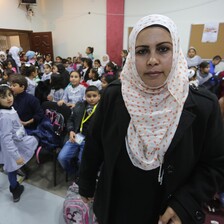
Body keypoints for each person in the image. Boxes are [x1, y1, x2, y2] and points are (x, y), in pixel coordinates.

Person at [78, 14, 224, 224]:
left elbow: (215, 165)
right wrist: (86, 182)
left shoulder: (203, 105)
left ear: (177, 52)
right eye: (142, 51)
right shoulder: (115, 95)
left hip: (167, 213)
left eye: (163, 49)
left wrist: (186, 203)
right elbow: (95, 142)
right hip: (116, 207)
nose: (152, 59)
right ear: (131, 56)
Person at [0, 84, 38, 202]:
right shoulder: (4, 117)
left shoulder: (9, 109)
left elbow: (15, 122)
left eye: (10, 95)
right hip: (12, 146)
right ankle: (15, 189)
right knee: (12, 168)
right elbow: (6, 139)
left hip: (18, 140)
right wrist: (16, 156)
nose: (8, 98)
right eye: (3, 96)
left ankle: (19, 172)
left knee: (14, 166)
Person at [57, 85, 100, 179]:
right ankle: (74, 173)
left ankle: (81, 176)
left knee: (82, 161)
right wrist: (71, 130)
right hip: (77, 136)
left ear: (99, 96)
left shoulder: (102, 109)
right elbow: (71, 120)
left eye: (94, 96)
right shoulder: (80, 105)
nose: (91, 99)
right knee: (61, 158)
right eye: (89, 96)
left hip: (91, 140)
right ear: (85, 96)